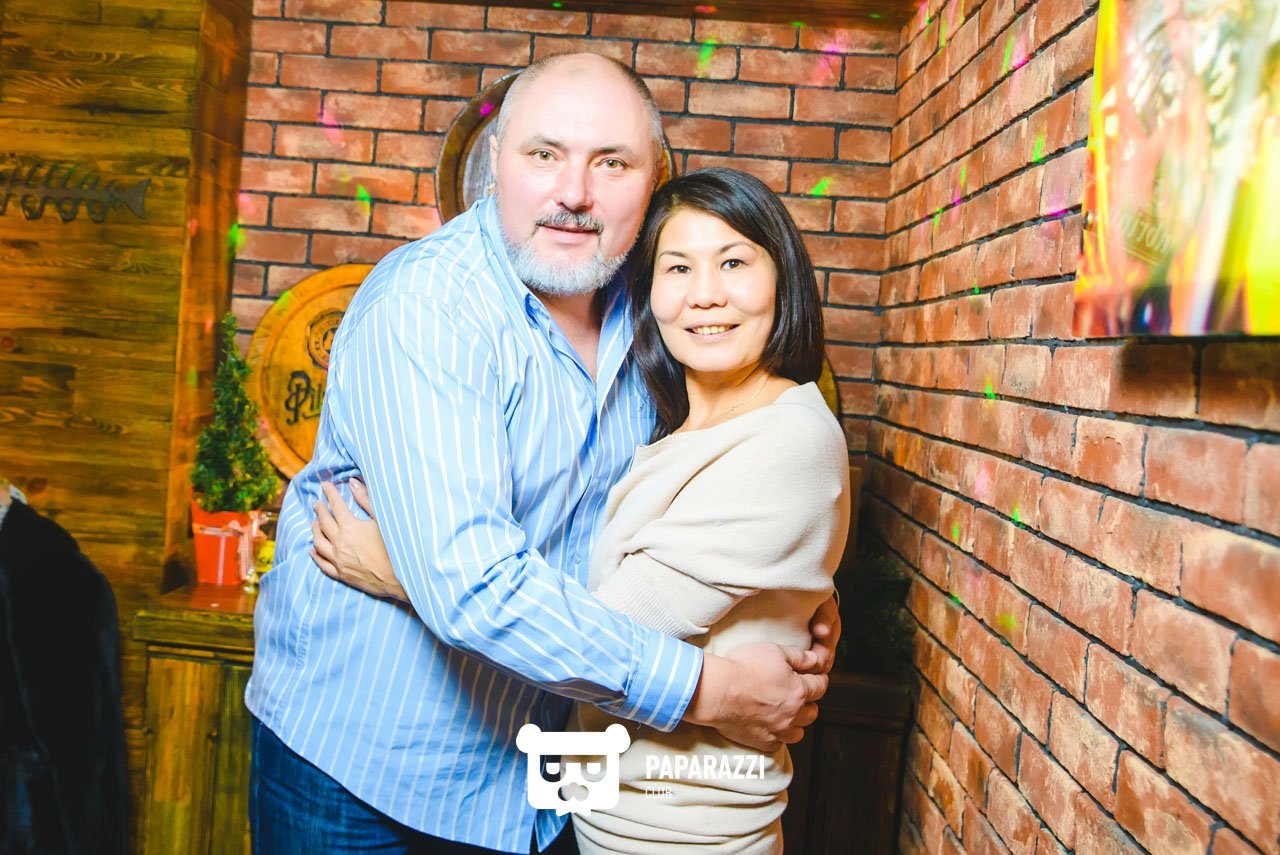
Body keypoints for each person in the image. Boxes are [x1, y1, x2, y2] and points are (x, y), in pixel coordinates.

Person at [247, 53, 840, 855]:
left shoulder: (664, 311)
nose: (574, 192)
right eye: (544, 154)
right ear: (496, 162)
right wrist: (713, 686)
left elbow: (710, 497)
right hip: (371, 775)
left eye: (612, 163)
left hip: (547, 784)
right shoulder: (428, 307)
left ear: (654, 178)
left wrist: (793, 604)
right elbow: (470, 586)